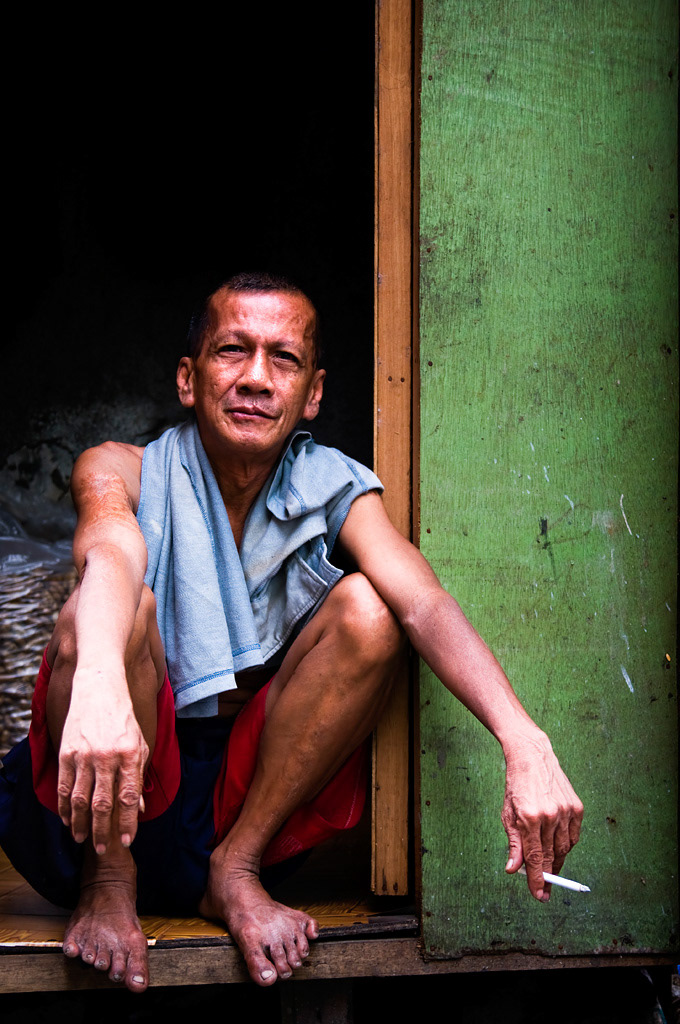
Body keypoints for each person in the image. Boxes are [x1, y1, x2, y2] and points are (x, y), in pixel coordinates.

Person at [0, 272, 583, 993]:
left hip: (244, 804)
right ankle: (110, 882)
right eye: (231, 352)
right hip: (107, 784)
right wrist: (95, 682)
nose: (254, 378)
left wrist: (525, 741)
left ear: (312, 393)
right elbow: (111, 558)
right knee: (112, 611)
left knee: (370, 609)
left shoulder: (332, 486)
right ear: (187, 379)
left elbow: (424, 603)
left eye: (283, 358)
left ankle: (233, 869)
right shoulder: (122, 469)